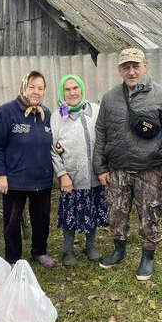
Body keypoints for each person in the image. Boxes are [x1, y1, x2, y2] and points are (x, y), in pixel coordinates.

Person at [93, 48, 162, 280]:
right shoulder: (110, 98)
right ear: (119, 70)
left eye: (135, 66)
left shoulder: (161, 95)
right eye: (126, 67)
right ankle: (119, 250)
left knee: (150, 214)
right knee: (116, 212)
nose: (131, 72)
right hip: (118, 169)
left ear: (145, 65)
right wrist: (100, 167)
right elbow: (101, 133)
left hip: (150, 169)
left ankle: (147, 258)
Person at [0, 71, 55, 268]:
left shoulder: (47, 115)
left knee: (41, 219)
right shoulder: (7, 111)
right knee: (12, 222)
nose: (36, 91)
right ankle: (12, 258)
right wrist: (0, 175)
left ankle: (39, 251)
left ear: (44, 92)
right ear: (23, 87)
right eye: (32, 86)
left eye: (40, 88)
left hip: (42, 179)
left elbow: (52, 143)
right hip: (15, 180)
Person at [51, 74, 108, 267]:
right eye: (67, 89)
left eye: (76, 88)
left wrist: (104, 167)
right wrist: (62, 175)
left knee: (92, 210)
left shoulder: (95, 110)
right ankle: (67, 250)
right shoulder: (58, 116)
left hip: (94, 175)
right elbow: (52, 149)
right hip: (72, 178)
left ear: (82, 89)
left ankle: (90, 246)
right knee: (70, 215)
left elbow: (104, 139)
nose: (72, 92)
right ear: (62, 92)